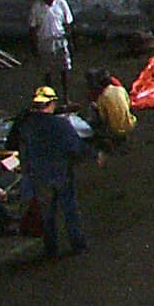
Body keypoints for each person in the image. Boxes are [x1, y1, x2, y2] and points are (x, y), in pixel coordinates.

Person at [18, 86, 104, 258]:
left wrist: (27, 172)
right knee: (69, 210)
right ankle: (78, 245)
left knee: (47, 215)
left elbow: (22, 151)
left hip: (40, 177)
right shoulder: (60, 124)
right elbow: (75, 147)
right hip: (61, 174)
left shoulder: (27, 126)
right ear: (51, 104)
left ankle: (51, 249)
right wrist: (94, 155)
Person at [28, 0, 74, 96]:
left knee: (64, 67)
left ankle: (66, 96)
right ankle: (50, 96)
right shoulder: (37, 7)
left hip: (60, 40)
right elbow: (32, 28)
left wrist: (70, 41)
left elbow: (68, 24)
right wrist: (34, 45)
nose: (52, 1)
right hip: (44, 41)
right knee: (47, 70)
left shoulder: (61, 4)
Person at [85, 68, 136, 149]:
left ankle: (109, 138)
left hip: (114, 130)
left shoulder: (102, 97)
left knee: (93, 111)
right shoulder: (120, 89)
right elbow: (128, 104)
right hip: (130, 124)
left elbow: (103, 118)